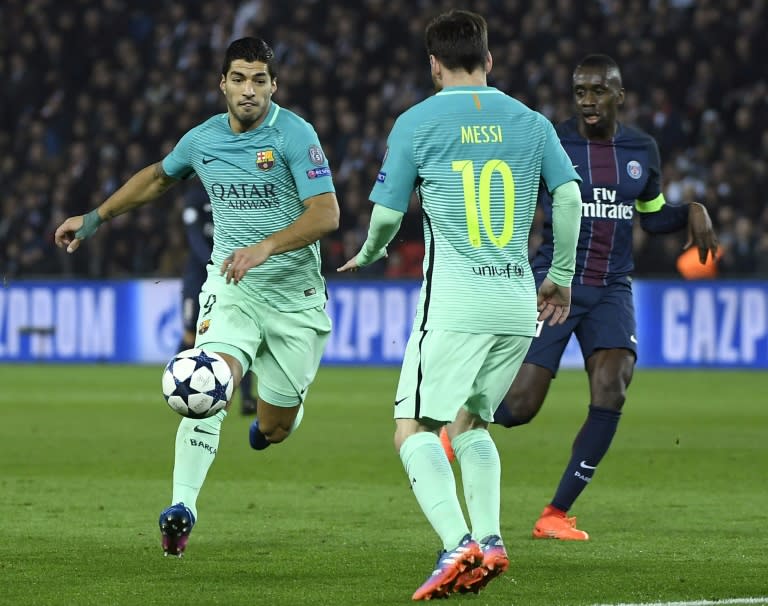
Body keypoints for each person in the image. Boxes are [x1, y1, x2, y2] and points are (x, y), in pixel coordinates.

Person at [54, 37, 339, 557]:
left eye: (259, 80)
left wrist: (266, 246)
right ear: (222, 84)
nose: (248, 90)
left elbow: (326, 213)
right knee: (207, 380)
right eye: (238, 79)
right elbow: (157, 179)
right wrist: (95, 218)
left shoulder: (296, 135)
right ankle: (181, 508)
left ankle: (271, 425)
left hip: (295, 299)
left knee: (276, 427)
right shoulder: (203, 139)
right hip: (232, 289)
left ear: (274, 85)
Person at [338, 10, 581, 600]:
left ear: (433, 64)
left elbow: (390, 215)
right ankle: (492, 542)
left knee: (412, 428)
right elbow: (570, 196)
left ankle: (457, 545)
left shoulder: (417, 121)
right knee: (473, 422)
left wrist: (370, 252)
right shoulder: (531, 121)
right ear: (489, 60)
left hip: (455, 302)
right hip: (515, 301)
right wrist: (562, 276)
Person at [442, 54, 718, 541]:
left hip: (612, 289)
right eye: (580, 92)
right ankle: (456, 423)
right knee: (519, 408)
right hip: (556, 284)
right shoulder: (550, 141)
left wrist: (691, 210)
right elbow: (509, 201)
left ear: (619, 96)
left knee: (613, 388)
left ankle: (555, 514)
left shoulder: (641, 149)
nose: (588, 101)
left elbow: (651, 216)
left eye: (597, 91)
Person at [178, 184, 257, 415]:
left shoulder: (232, 191)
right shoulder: (195, 195)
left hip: (228, 272)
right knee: (191, 335)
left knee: (239, 334)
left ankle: (247, 398)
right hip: (201, 274)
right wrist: (215, 262)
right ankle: (182, 388)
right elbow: (194, 237)